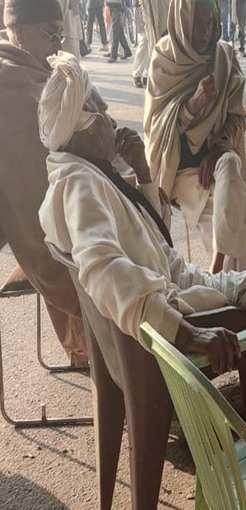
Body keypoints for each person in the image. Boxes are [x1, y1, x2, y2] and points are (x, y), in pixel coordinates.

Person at [38, 53, 246, 406]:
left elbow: (155, 236)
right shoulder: (81, 184)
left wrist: (142, 171)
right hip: (175, 301)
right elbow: (102, 268)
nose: (110, 116)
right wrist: (185, 334)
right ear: (79, 128)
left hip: (180, 280)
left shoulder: (89, 172)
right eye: (100, 111)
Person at [0, 0, 88, 365]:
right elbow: (36, 186)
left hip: (56, 208)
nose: (57, 46)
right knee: (102, 252)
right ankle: (100, 354)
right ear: (17, 32)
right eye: (48, 35)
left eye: (60, 35)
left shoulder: (40, 72)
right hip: (38, 227)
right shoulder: (10, 85)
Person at [145, 0, 246, 273]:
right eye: (198, 24)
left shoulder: (224, 58)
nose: (206, 31)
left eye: (210, 23)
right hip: (180, 167)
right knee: (230, 213)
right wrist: (194, 105)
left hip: (218, 158)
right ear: (183, 23)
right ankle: (235, 288)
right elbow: (157, 127)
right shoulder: (165, 59)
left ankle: (218, 270)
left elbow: (236, 119)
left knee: (231, 167)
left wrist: (217, 149)